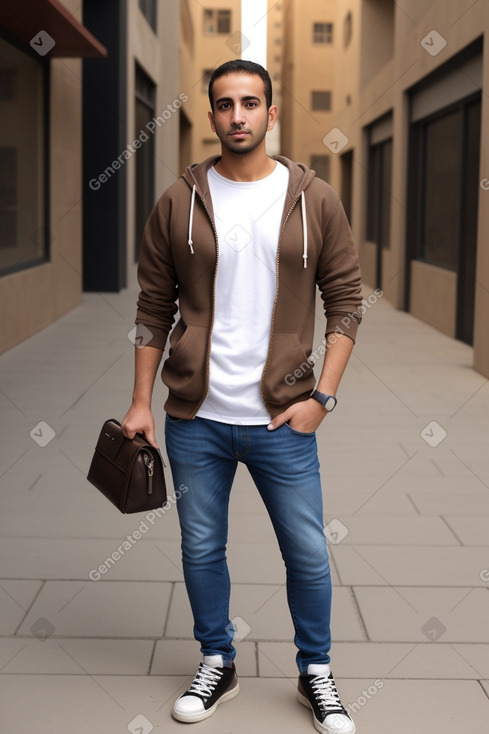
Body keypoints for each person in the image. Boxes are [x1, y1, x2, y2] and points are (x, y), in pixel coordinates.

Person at [122, 59, 362, 734]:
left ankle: (315, 670)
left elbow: (345, 303)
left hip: (282, 418)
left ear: (270, 113)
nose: (237, 115)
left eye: (249, 103)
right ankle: (217, 660)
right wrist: (140, 401)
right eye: (224, 104)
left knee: (307, 551)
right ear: (210, 115)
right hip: (195, 418)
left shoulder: (314, 199)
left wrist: (323, 399)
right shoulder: (178, 199)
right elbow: (151, 307)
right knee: (201, 548)